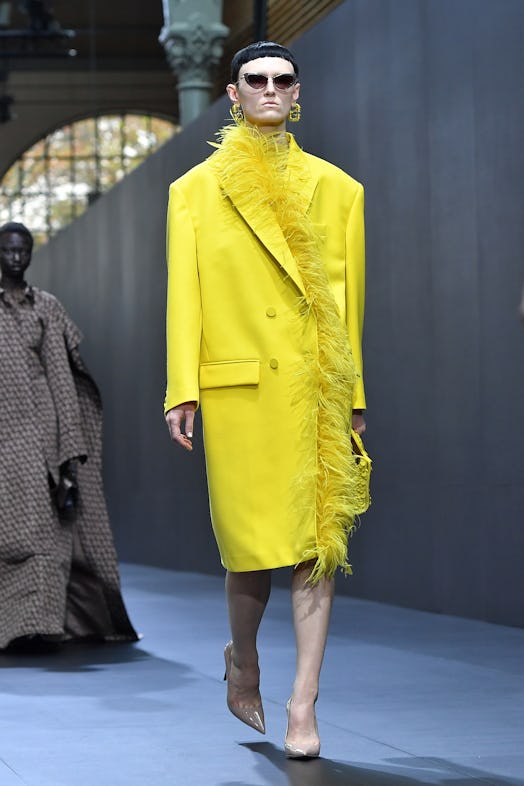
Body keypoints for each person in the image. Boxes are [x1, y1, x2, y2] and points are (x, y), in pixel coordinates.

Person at [164, 41, 368, 758]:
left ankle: (303, 705)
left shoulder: (340, 191)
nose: (271, 90)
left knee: (318, 546)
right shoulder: (194, 191)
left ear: (298, 91)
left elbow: (348, 308)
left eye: (283, 80)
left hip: (313, 388)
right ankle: (243, 660)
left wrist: (354, 395)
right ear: (233, 92)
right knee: (248, 551)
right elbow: (183, 295)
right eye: (258, 80)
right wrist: (180, 388)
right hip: (240, 389)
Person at [0, 221, 138, 650]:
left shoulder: (47, 307)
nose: (17, 258)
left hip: (41, 434)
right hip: (5, 433)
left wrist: (69, 452)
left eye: (24, 250)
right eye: (9, 250)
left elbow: (63, 378)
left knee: (45, 535)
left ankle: (33, 628)